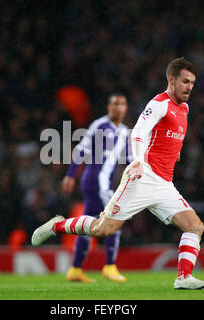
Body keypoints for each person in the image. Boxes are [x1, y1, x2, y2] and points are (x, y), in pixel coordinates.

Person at [32, 58, 204, 290]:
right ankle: (57, 225)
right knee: (103, 228)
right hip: (142, 178)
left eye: (192, 83)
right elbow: (138, 132)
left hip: (164, 184)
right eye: (185, 81)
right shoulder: (158, 104)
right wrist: (138, 160)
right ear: (171, 80)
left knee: (195, 226)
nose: (190, 87)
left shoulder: (184, 108)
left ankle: (184, 277)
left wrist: (173, 152)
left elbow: (166, 136)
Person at [61, 93, 132, 283]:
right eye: (115, 104)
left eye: (122, 104)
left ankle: (75, 269)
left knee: (88, 226)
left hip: (105, 183)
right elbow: (81, 149)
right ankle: (110, 266)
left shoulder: (125, 132)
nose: (118, 108)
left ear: (126, 109)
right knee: (114, 219)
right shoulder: (99, 125)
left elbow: (130, 161)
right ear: (109, 108)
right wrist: (70, 175)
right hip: (94, 181)